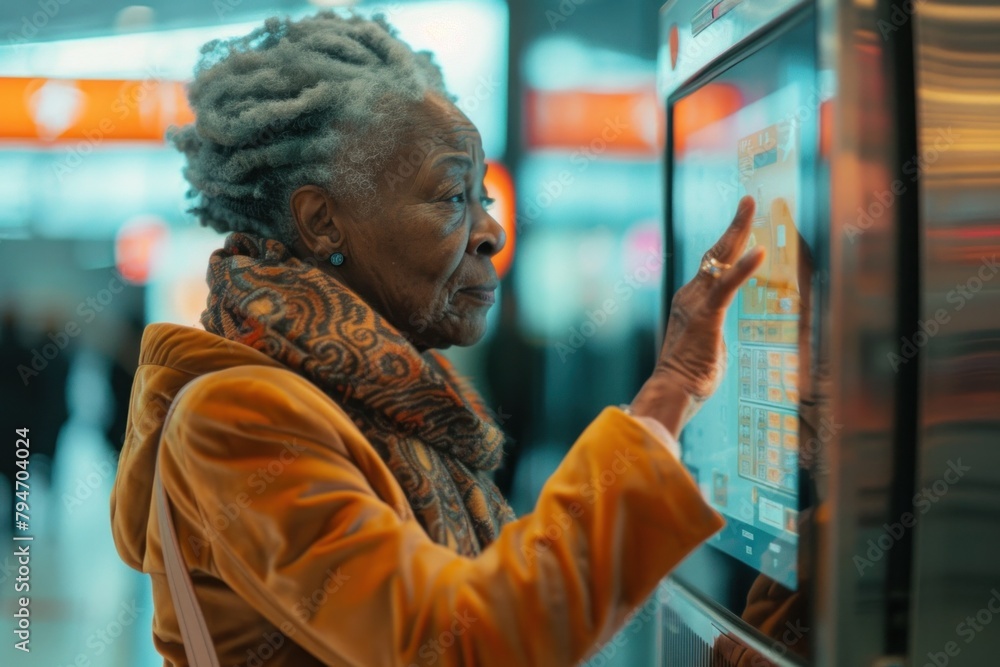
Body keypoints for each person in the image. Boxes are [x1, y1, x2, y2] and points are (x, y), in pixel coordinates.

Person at [109, 12, 765, 666]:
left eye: (484, 196)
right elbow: (456, 641)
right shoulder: (235, 417)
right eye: (454, 196)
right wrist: (671, 388)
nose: (491, 232)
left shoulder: (395, 404)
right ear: (321, 222)